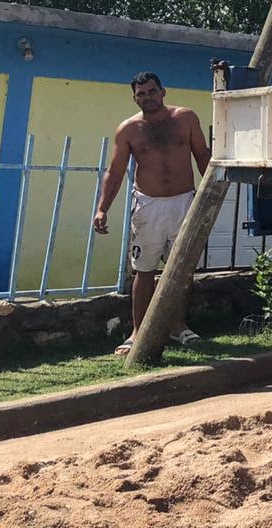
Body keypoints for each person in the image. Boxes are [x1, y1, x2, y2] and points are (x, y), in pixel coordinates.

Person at [93, 72, 211, 356]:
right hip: (148, 206)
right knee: (144, 271)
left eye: (152, 91)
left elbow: (202, 155)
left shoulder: (186, 118)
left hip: (184, 202)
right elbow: (116, 171)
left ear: (163, 91)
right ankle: (138, 331)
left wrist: (210, 195)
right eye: (141, 94)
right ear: (135, 98)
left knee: (181, 271)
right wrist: (101, 208)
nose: (147, 97)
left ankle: (178, 326)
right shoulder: (129, 129)